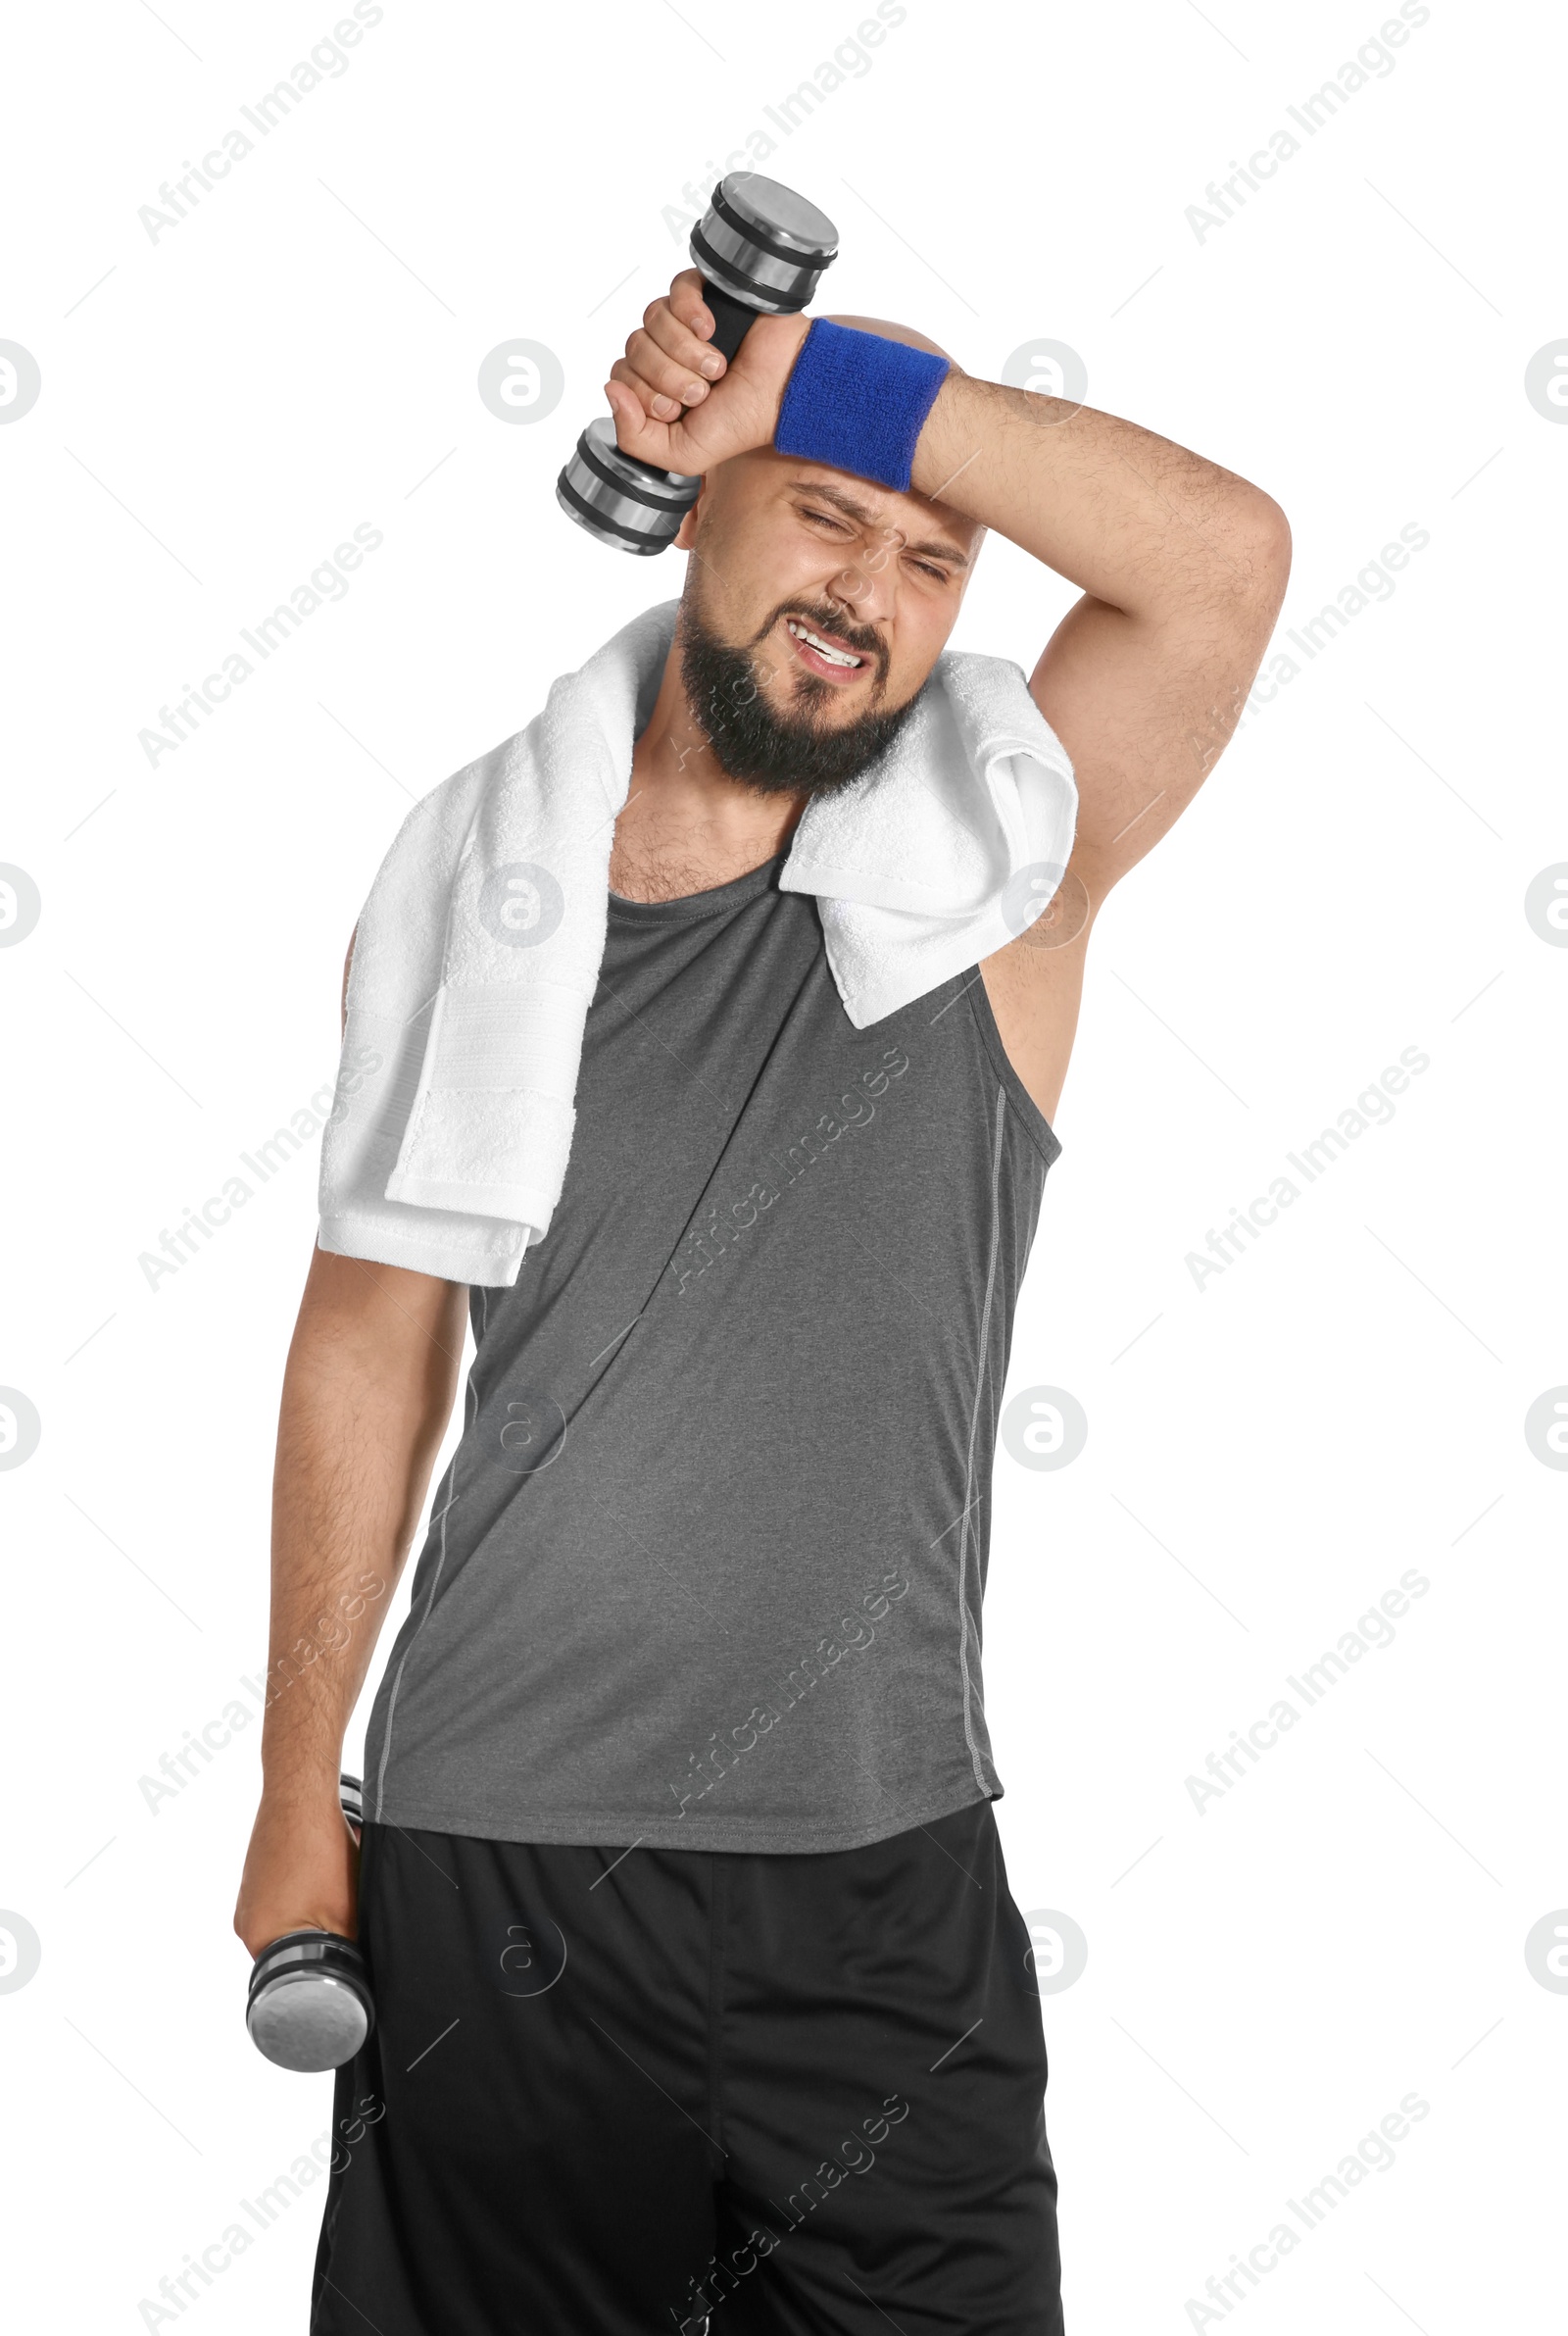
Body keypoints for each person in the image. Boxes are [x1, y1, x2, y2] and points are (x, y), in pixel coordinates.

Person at [235, 267, 1290, 2335]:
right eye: (821, 511)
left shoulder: (996, 880)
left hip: (875, 1888)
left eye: (926, 553)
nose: (872, 583)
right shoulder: (471, 887)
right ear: (698, 510)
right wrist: (294, 1786)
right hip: (488, 1864)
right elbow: (367, 1340)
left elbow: (1219, 562)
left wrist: (826, 391)